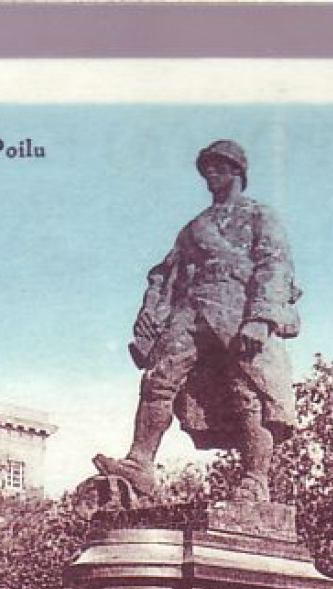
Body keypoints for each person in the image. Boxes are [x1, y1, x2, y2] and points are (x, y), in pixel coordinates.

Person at [94, 139, 302, 504]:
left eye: (219, 167)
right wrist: (150, 316)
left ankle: (255, 479)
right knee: (159, 379)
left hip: (238, 308)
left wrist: (260, 319)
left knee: (248, 391)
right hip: (192, 308)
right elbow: (165, 274)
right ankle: (140, 461)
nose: (211, 174)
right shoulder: (194, 228)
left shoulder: (258, 215)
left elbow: (275, 265)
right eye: (207, 168)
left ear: (238, 172)